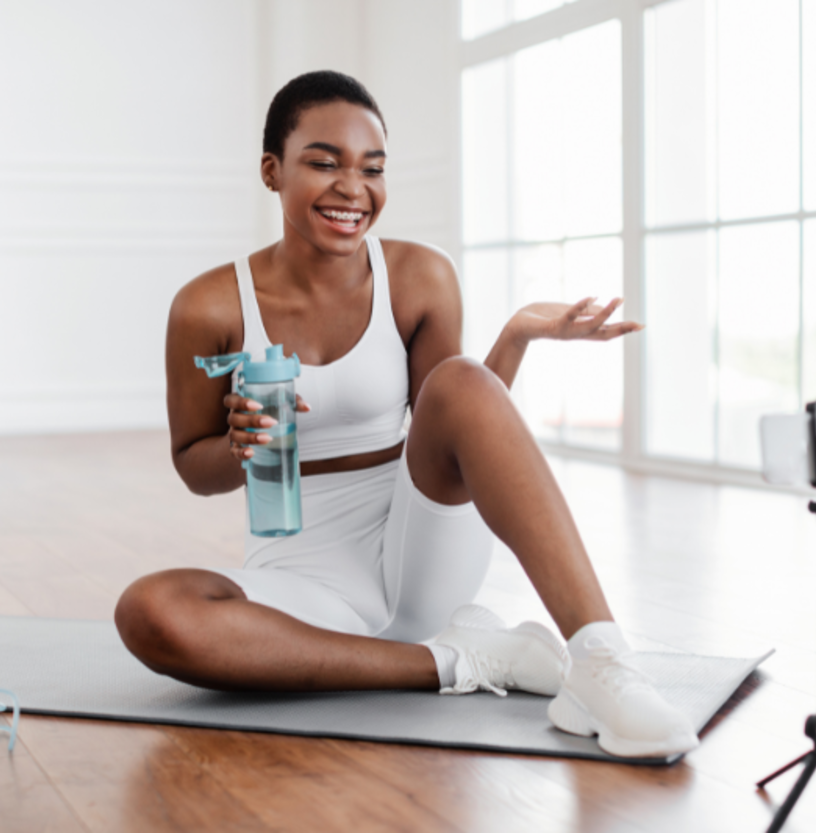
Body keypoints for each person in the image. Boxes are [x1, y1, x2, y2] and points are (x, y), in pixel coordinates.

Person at [115, 70, 698, 759]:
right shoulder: (207, 305)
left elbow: (455, 424)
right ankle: (469, 661)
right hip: (303, 574)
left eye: (373, 168)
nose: (352, 189)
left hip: (420, 544)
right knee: (149, 611)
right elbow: (194, 467)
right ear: (272, 171)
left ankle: (601, 662)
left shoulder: (419, 275)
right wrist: (239, 444)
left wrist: (512, 338)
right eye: (323, 162)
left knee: (458, 377)